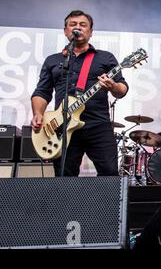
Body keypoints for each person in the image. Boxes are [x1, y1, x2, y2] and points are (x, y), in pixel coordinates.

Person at [31, 10, 128, 177]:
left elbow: (122, 89)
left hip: (98, 125)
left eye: (83, 25)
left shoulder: (105, 57)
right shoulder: (52, 60)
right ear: (65, 31)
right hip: (62, 127)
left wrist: (112, 86)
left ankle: (105, 204)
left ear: (90, 32)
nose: (78, 27)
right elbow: (42, 91)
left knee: (110, 173)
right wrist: (38, 113)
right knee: (64, 176)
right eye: (73, 25)